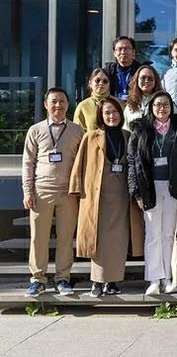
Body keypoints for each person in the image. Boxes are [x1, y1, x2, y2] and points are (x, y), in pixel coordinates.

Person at [69, 98, 143, 297]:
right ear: (101, 116)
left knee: (118, 239)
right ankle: (96, 281)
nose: (112, 116)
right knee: (98, 239)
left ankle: (112, 281)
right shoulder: (91, 136)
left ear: (121, 113)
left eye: (115, 112)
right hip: (97, 194)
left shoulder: (128, 136)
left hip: (121, 196)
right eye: (107, 113)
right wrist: (75, 189)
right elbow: (79, 165)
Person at [22, 88, 85, 297]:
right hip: (41, 191)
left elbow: (83, 164)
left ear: (68, 105)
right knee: (38, 237)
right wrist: (27, 191)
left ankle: (62, 278)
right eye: (54, 102)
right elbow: (28, 163)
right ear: (46, 105)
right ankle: (38, 278)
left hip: (69, 193)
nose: (58, 106)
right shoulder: (35, 130)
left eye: (62, 102)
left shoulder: (77, 131)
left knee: (66, 237)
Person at [127, 91, 177, 296]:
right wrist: (136, 192)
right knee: (153, 234)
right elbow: (133, 162)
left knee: (168, 234)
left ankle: (169, 277)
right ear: (150, 108)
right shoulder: (141, 130)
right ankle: (154, 279)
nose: (162, 108)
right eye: (158, 105)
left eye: (166, 104)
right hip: (149, 188)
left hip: (173, 188)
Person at [104, 36, 145, 102]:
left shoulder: (141, 70)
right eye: (120, 49)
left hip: (136, 107)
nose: (123, 52)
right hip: (114, 108)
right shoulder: (108, 71)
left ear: (133, 52)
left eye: (126, 49)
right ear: (114, 53)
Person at [123, 65, 163, 131]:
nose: (146, 81)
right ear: (137, 80)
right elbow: (126, 131)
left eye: (150, 78)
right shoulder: (130, 105)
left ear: (156, 81)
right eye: (143, 77)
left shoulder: (165, 101)